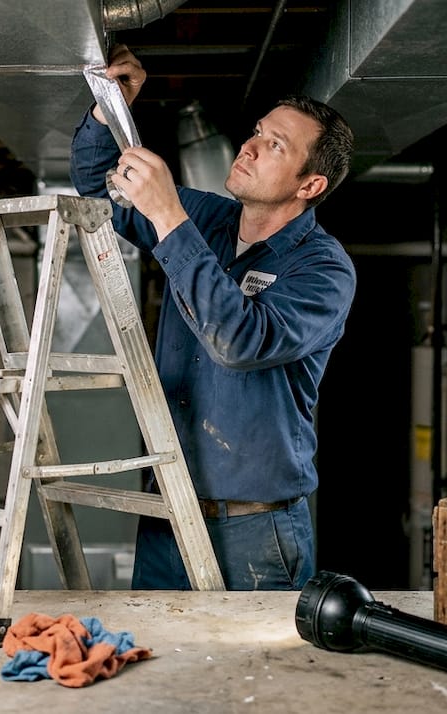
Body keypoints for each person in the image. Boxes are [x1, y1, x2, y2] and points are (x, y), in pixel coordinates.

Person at [70, 44, 356, 590]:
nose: (249, 147)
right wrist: (111, 110)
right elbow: (97, 191)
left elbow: (240, 341)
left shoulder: (323, 270)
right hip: (168, 514)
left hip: (256, 531)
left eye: (274, 145)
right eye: (257, 132)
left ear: (310, 185)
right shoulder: (208, 219)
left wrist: (168, 216)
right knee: (154, 646)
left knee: (257, 652)